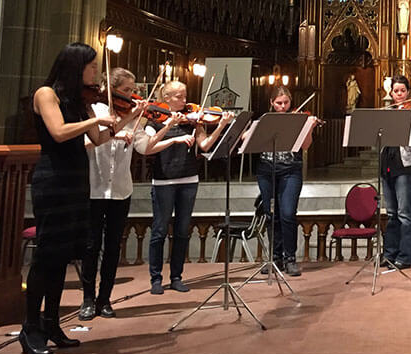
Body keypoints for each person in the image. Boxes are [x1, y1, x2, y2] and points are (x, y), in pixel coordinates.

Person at [23, 43, 118, 354]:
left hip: (78, 180)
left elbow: (99, 139)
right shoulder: (45, 94)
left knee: (63, 256)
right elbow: (60, 132)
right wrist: (93, 121)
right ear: (76, 66)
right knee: (46, 256)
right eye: (92, 67)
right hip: (53, 180)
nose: (95, 74)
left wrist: (126, 119)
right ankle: (30, 328)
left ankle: (51, 323)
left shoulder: (81, 100)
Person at [134, 80, 234, 295]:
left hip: (189, 179)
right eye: (178, 96)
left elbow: (205, 145)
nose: (184, 100)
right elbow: (149, 147)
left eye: (185, 95)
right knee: (160, 230)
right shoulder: (156, 120)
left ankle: (177, 276)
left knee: (182, 230)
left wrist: (221, 126)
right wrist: (171, 129)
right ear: (166, 98)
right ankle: (156, 279)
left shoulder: (193, 120)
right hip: (164, 180)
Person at [80, 67, 146, 320]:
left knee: (112, 247)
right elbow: (88, 142)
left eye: (133, 91)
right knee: (91, 245)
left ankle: (104, 299)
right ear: (112, 89)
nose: (131, 97)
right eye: (126, 91)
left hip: (120, 187)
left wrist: (141, 129)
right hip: (95, 186)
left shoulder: (133, 114)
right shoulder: (95, 111)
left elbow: (143, 147)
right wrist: (123, 126)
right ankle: (87, 298)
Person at [256, 85, 304, 276]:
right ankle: (274, 258)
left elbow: (305, 145)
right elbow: (249, 139)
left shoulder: (297, 120)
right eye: (278, 103)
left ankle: (290, 258)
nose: (283, 106)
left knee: (288, 213)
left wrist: (309, 127)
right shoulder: (264, 120)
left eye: (286, 103)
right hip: (266, 171)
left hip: (291, 170)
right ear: (271, 103)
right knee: (271, 215)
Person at [380, 75, 411, 269]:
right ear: (391, 93)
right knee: (391, 213)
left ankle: (404, 256)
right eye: (396, 91)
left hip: (404, 166)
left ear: (408, 93)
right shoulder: (387, 110)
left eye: (402, 91)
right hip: (387, 163)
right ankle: (389, 253)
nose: (399, 94)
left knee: (404, 213)